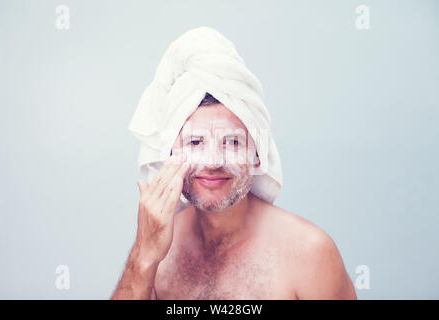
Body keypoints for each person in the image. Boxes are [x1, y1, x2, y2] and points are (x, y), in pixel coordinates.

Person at [111, 93, 357, 300]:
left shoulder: (308, 251)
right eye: (195, 142)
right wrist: (144, 255)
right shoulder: (159, 246)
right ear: (170, 154)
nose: (214, 161)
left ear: (257, 155)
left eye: (232, 142)